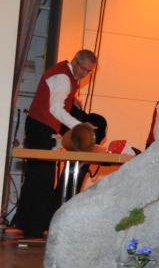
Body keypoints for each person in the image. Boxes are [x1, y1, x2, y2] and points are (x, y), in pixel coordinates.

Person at [11, 49, 97, 238]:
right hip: (41, 127)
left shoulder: (65, 75)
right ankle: (34, 228)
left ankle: (26, 224)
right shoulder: (64, 78)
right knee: (43, 178)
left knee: (36, 176)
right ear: (75, 61)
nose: (84, 74)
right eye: (82, 68)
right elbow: (55, 108)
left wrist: (72, 99)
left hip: (38, 126)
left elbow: (57, 97)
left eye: (88, 71)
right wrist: (80, 127)